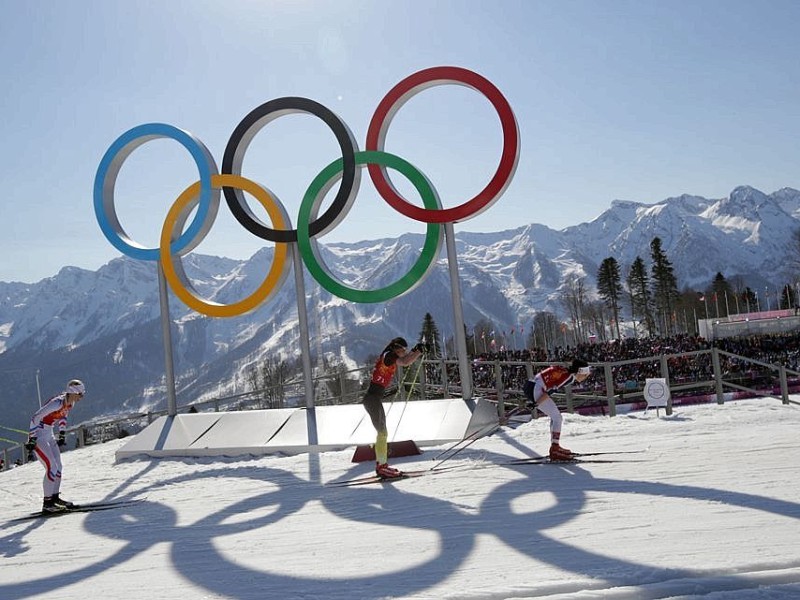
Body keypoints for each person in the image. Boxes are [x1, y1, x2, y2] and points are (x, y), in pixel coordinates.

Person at [362, 337, 427, 479]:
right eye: (402, 350)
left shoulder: (392, 356)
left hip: (374, 399)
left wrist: (417, 351)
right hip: (372, 399)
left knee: (383, 433)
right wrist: (416, 351)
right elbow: (399, 359)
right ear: (395, 348)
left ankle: (382, 465)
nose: (404, 352)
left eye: (405, 350)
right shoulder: (387, 356)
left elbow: (405, 361)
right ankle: (381, 466)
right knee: (382, 433)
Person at [25, 379, 86, 513]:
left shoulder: (70, 403)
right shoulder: (56, 403)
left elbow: (63, 417)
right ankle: (47, 504)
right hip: (40, 435)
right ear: (73, 392)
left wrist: (62, 433)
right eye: (81, 394)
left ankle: (54, 498)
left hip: (49, 433)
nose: (82, 397)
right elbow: (35, 417)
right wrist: (32, 438)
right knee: (51, 466)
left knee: (58, 467)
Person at [523, 359, 591, 461]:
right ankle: (555, 448)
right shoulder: (568, 377)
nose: (586, 377)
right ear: (580, 372)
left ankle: (555, 446)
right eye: (585, 374)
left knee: (555, 417)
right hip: (536, 389)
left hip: (532, 385)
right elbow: (550, 391)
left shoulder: (565, 372)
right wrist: (536, 403)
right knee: (557, 418)